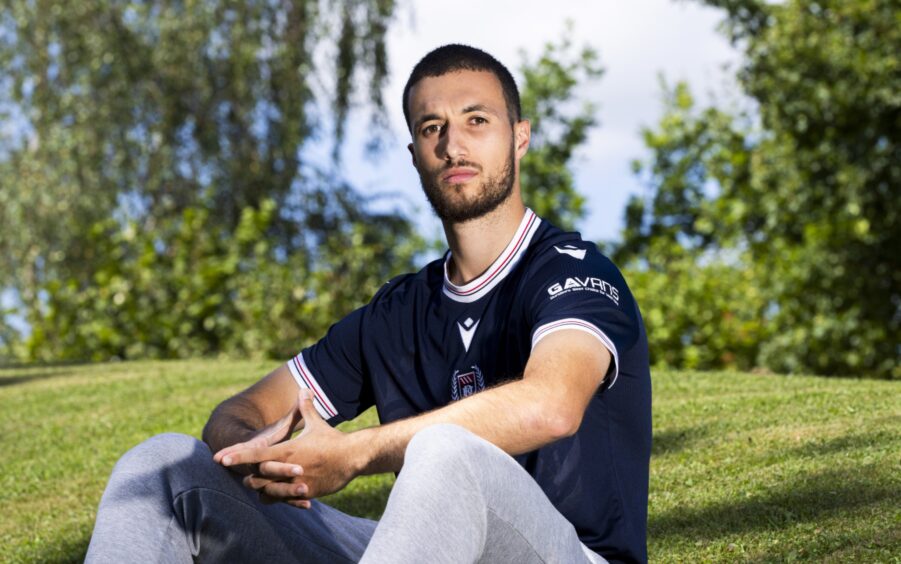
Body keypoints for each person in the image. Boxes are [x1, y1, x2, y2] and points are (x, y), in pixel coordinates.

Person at [86, 44, 652, 564]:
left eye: (477, 121)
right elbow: (242, 412)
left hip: (567, 554)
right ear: (414, 154)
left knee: (445, 454)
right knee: (164, 468)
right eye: (434, 127)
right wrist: (261, 455)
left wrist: (355, 453)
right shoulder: (397, 313)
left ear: (520, 136)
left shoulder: (572, 270)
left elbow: (552, 404)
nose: (454, 145)